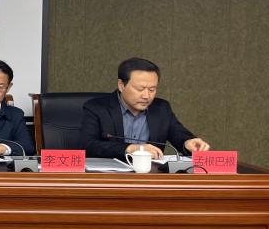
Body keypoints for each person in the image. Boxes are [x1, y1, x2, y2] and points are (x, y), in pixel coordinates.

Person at [80, 56, 210, 159]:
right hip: (109, 177)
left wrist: (188, 142)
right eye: (140, 89)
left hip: (150, 177)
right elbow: (87, 145)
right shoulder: (97, 108)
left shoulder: (161, 108)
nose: (146, 96)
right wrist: (131, 149)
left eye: (152, 89)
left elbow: (178, 134)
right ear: (121, 85)